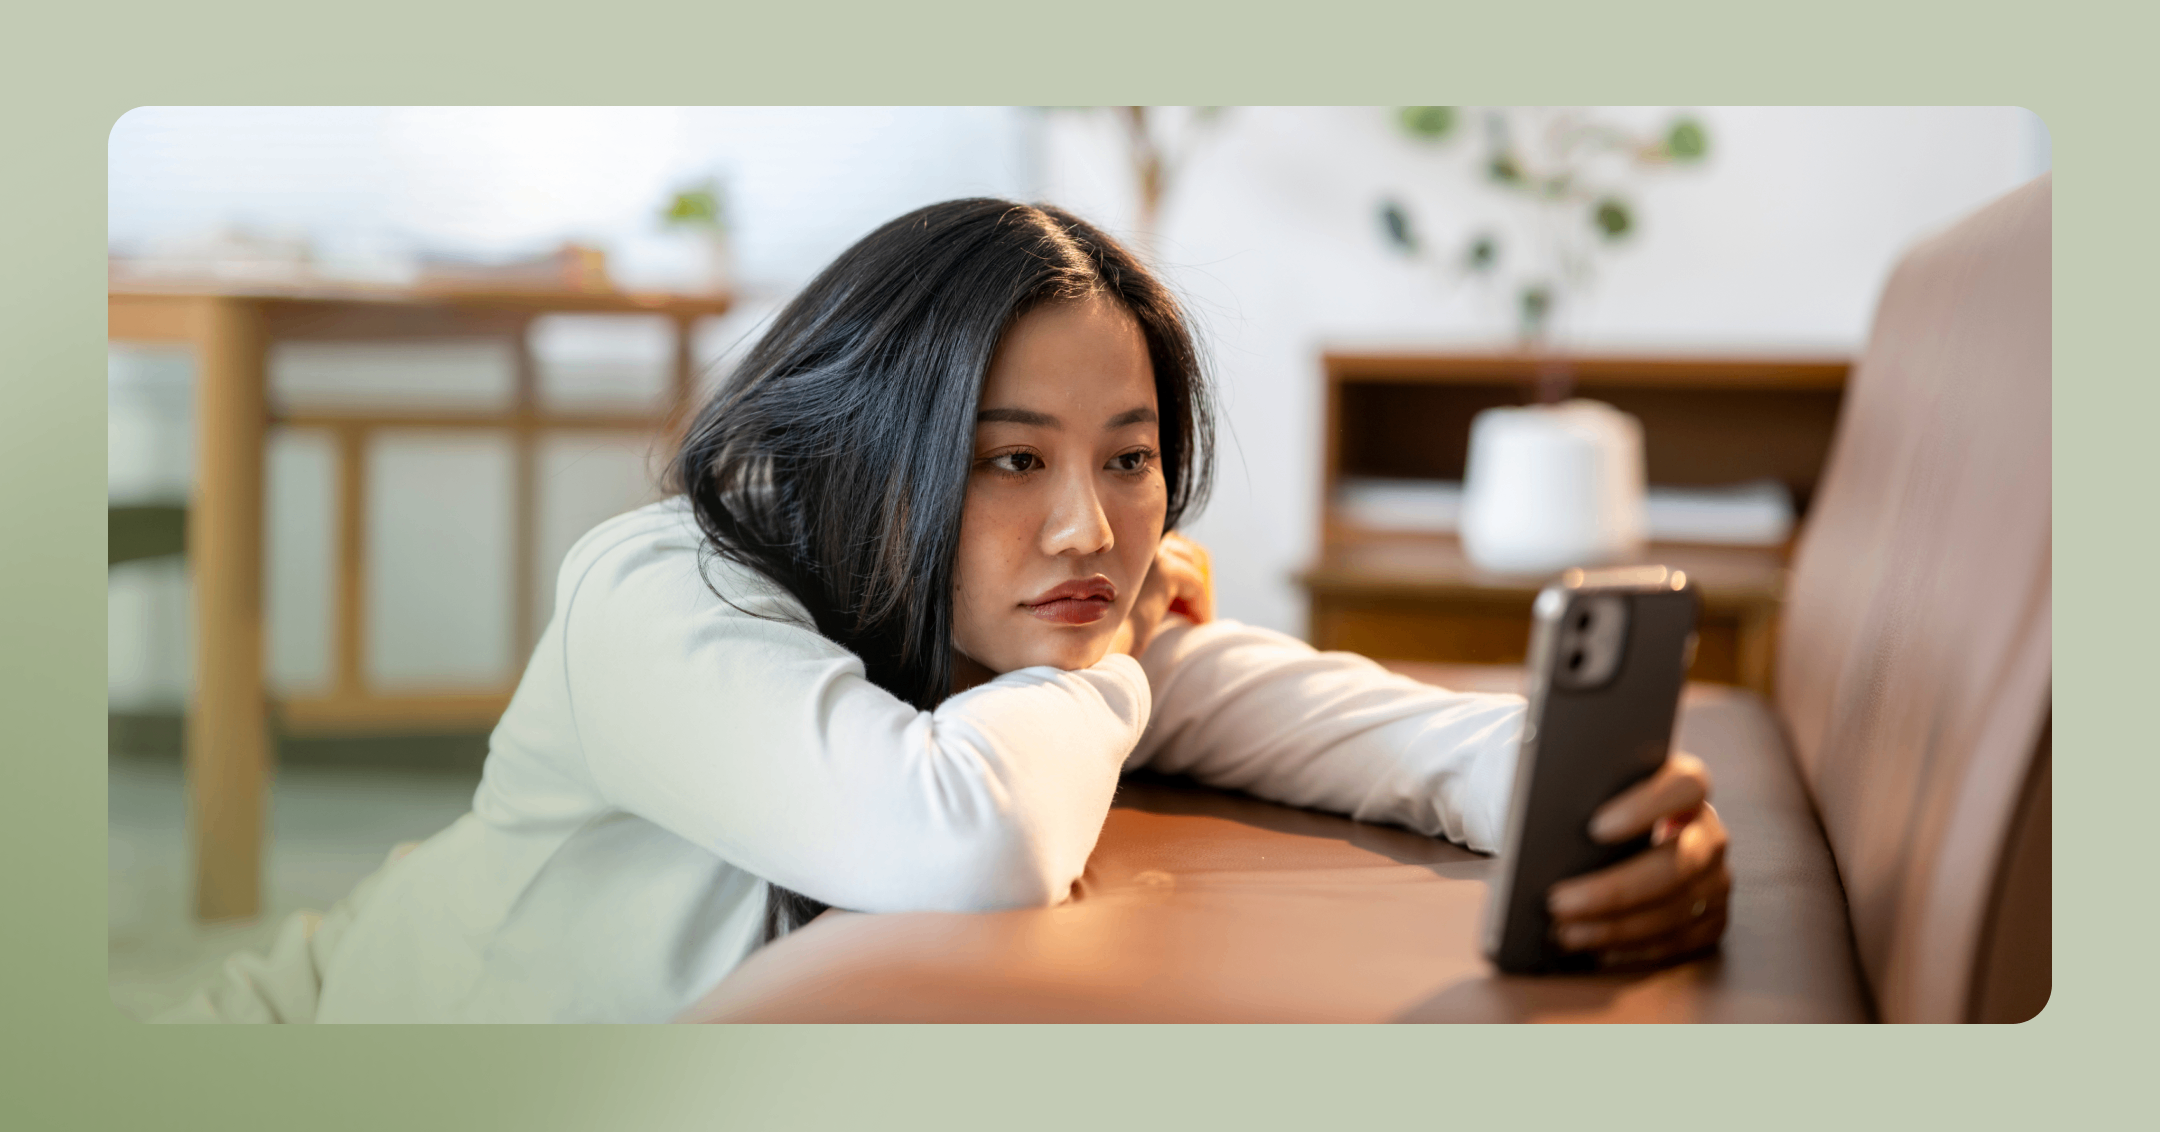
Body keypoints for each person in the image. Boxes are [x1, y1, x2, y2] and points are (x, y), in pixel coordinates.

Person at [290, 199, 1729, 1023]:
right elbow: (958, 835)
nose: (1087, 526)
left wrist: (1590, 800)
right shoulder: (657, 589)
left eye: (1130, 458)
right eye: (1011, 458)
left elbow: (1338, 722)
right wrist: (1112, 658)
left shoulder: (1029, 616)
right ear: (868, 444)